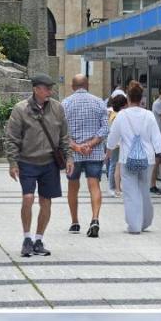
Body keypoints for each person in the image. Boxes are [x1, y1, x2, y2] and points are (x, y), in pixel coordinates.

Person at [3, 73, 67, 258]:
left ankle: (39, 239)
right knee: (28, 198)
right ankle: (27, 238)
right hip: (27, 161)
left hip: (49, 162)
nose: (50, 92)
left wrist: (69, 158)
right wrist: (13, 162)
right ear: (35, 89)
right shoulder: (20, 109)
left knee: (46, 201)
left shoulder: (57, 108)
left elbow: (64, 136)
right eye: (46, 89)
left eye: (50, 89)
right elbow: (12, 138)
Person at [105, 82, 161, 234]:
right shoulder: (149, 115)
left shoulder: (122, 116)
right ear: (141, 99)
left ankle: (134, 225)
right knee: (144, 190)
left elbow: (113, 137)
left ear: (128, 98)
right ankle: (145, 221)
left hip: (127, 159)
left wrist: (108, 153)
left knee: (131, 192)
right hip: (147, 159)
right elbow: (156, 138)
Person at [60, 74, 110, 237]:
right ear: (87, 85)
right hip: (94, 152)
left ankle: (75, 222)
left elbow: (61, 132)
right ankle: (95, 219)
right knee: (94, 185)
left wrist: (77, 146)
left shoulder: (65, 104)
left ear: (72, 86)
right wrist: (91, 144)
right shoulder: (99, 102)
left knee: (73, 186)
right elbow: (105, 129)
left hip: (73, 154)